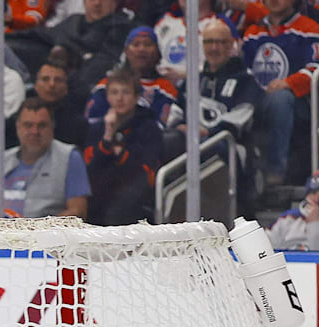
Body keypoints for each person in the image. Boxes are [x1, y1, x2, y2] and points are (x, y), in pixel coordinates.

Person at [177, 17, 262, 214]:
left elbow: (240, 120)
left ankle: (235, 211)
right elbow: (174, 115)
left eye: (220, 42)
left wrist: (205, 133)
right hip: (191, 142)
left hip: (229, 147)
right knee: (169, 141)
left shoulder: (245, 81)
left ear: (232, 44)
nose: (214, 48)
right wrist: (181, 127)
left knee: (219, 145)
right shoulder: (193, 80)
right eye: (209, 42)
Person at [240, 0, 319, 184]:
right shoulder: (253, 33)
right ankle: (245, 176)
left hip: (299, 102)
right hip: (258, 99)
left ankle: (276, 172)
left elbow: (315, 68)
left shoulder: (310, 29)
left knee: (280, 100)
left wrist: (289, 83)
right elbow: (244, 71)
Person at [84, 65, 163, 225]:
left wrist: (120, 154)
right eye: (114, 92)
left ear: (136, 97)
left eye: (125, 92)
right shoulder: (98, 128)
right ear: (107, 96)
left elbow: (144, 171)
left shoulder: (149, 127)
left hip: (134, 200)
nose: (120, 98)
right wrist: (108, 136)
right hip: (100, 197)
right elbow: (90, 168)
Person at [3, 97, 90, 218]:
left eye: (42, 125)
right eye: (28, 125)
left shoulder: (69, 157)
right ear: (18, 127)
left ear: (52, 127)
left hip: (47, 234)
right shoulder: (2, 160)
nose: (35, 131)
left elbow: (78, 212)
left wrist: (37, 229)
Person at [84, 27, 179, 127]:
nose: (142, 49)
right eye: (136, 44)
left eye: (148, 44)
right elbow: (91, 122)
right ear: (126, 51)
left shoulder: (166, 89)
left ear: (157, 52)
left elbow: (159, 127)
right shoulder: (106, 85)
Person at [45, 0, 138, 93]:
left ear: (114, 3)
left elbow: (104, 62)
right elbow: (40, 37)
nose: (97, 3)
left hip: (88, 89)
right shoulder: (72, 22)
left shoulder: (121, 28)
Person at [31, 58, 87, 145]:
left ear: (66, 88)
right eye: (45, 79)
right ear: (35, 85)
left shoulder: (78, 125)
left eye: (58, 80)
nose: (51, 85)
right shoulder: (20, 118)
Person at [267, 173, 319, 250]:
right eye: (313, 192)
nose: (317, 196)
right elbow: (263, 249)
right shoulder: (287, 219)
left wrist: (314, 225)